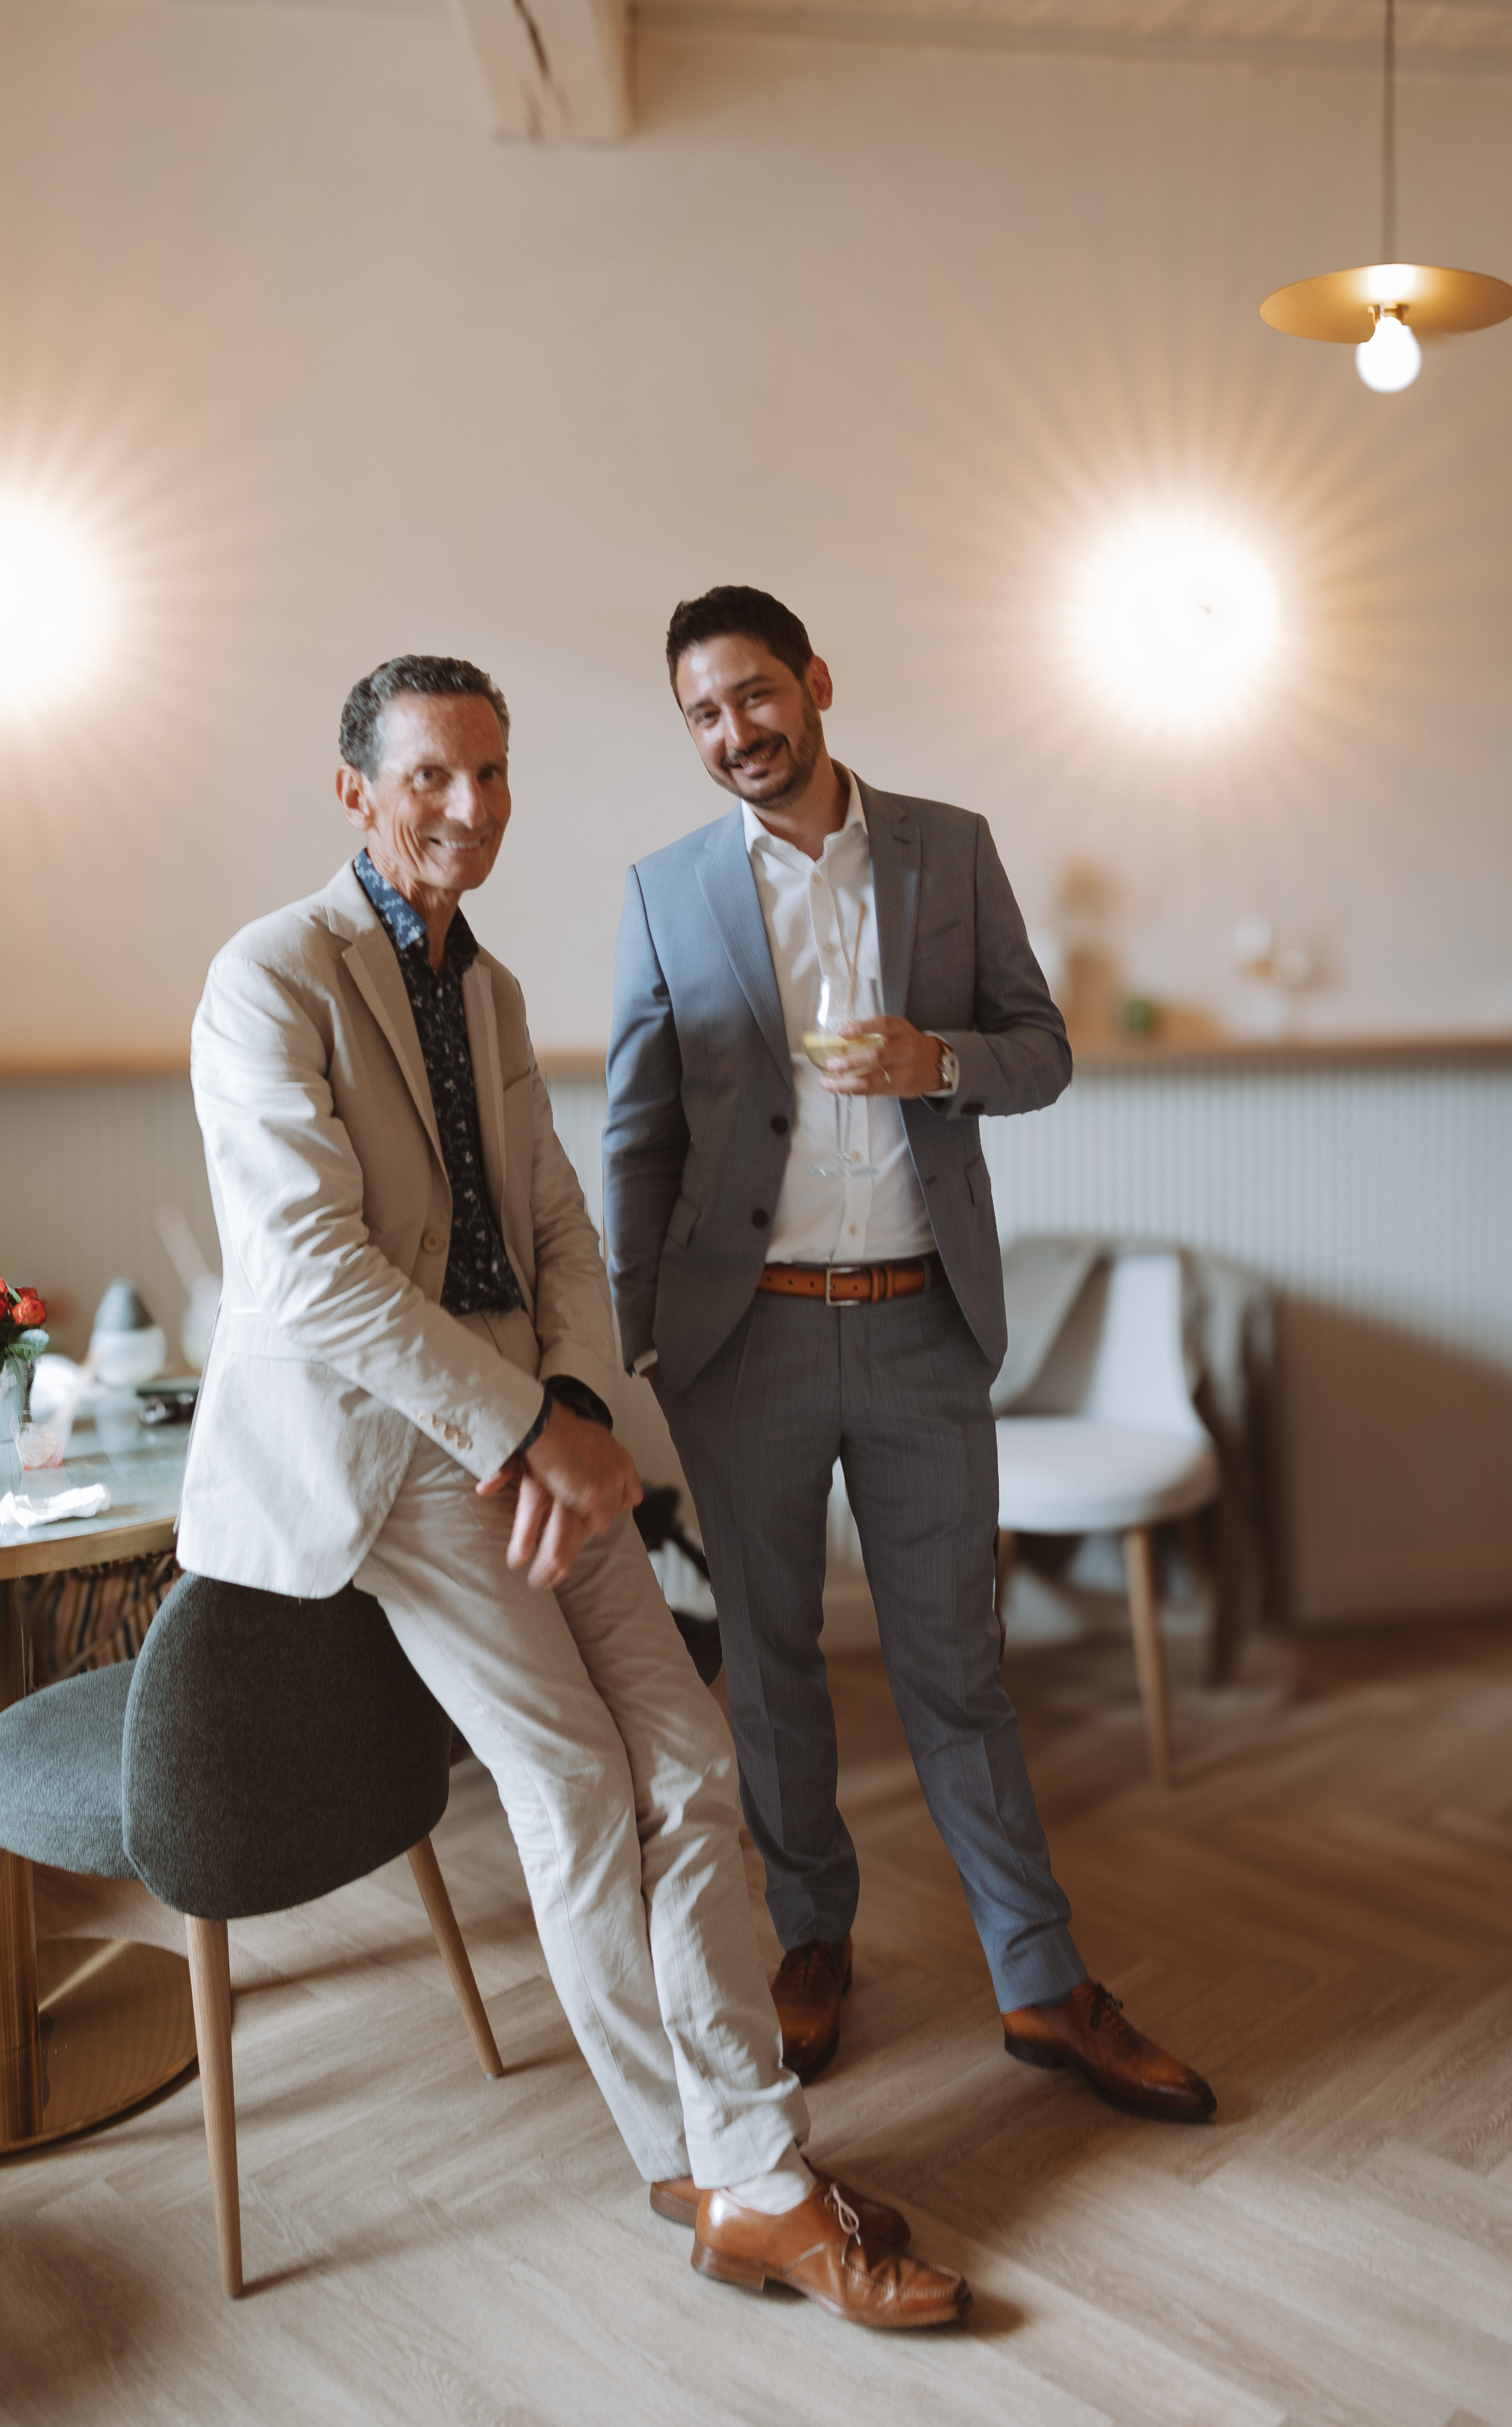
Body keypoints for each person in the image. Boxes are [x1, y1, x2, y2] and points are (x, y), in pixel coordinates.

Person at [178, 652, 970, 2329]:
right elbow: (312, 1272)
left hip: (532, 1421)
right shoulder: (266, 977)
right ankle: (734, 2171)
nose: (474, 809)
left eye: (495, 774)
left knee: (688, 1760)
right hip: (388, 1455)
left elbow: (551, 1220)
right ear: (355, 794)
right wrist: (512, 1430)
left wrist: (573, 1400)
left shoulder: (491, 986)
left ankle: (739, 2157)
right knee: (576, 1784)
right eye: (431, 780)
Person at [602, 588, 1216, 2120]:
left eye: (752, 695)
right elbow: (637, 1127)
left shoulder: (949, 846)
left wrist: (939, 1061)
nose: (734, 731)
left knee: (962, 1673)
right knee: (776, 1674)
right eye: (702, 714)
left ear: (814, 683)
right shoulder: (666, 888)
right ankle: (812, 1939)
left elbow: (1046, 1047)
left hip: (923, 1324)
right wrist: (637, 1336)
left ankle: (1039, 1976)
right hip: (741, 1345)